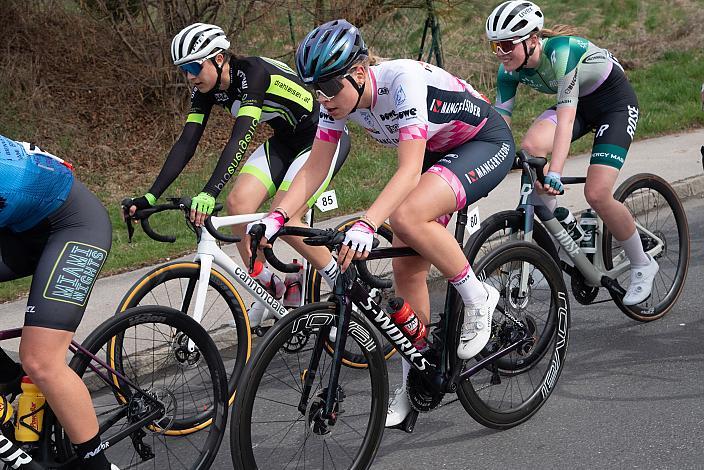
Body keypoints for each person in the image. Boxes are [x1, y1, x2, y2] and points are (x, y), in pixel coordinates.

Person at [246, 19, 515, 428]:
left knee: (405, 217)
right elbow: (316, 166)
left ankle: (479, 298)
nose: (324, 100)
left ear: (358, 73)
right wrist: (277, 216)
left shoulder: (400, 80)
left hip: (481, 142)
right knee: (408, 267)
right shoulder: (339, 101)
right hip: (435, 153)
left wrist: (368, 223)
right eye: (315, 91)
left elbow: (407, 171)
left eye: (330, 89)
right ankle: (416, 379)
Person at [127, 23, 350, 327]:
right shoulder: (205, 90)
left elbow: (240, 139)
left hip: (323, 138)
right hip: (286, 140)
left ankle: (344, 288)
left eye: (194, 66)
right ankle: (275, 286)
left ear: (219, 58)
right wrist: (150, 195)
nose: (190, 76)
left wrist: (208, 192)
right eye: (184, 70)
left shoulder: (252, 74)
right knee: (238, 204)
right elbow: (186, 142)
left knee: (287, 217)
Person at [486, 1, 657, 305]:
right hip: (579, 104)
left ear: (532, 40)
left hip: (614, 105)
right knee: (531, 149)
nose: (501, 53)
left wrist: (555, 173)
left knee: (597, 193)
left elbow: (565, 121)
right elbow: (498, 125)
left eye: (507, 45)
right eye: (495, 45)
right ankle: (561, 225)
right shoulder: (508, 71)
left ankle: (642, 263)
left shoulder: (561, 52)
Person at [0, 135, 117, 469]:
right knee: (26, 368)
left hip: (74, 226)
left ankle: (99, 465)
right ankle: (12, 385)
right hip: (20, 230)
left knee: (40, 359)